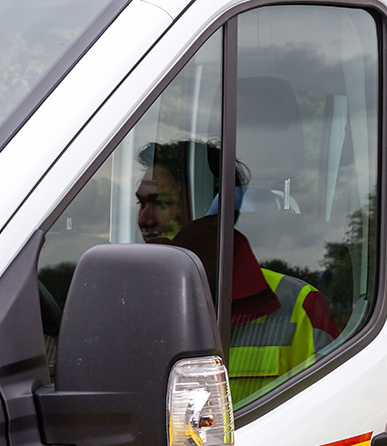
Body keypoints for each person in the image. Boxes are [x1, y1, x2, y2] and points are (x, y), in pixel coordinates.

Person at [135, 140, 340, 402]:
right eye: (142, 203)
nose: (144, 220)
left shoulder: (300, 307)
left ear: (213, 213)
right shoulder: (132, 303)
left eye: (160, 203)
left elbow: (334, 416)